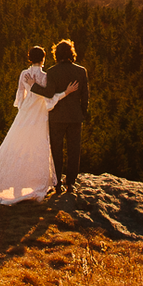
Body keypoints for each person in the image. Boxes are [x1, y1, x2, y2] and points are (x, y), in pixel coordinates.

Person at [0, 45, 60, 204]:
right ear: (43, 59)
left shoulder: (23, 74)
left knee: (17, 142)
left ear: (29, 58)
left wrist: (23, 109)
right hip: (40, 113)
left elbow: (21, 94)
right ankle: (34, 180)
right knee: (38, 144)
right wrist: (63, 94)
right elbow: (49, 99)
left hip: (26, 111)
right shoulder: (46, 76)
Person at [42, 38, 90, 195]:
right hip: (75, 116)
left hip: (56, 117)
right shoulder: (81, 71)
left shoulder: (51, 71)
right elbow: (85, 96)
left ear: (56, 54)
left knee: (56, 150)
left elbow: (49, 95)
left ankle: (56, 184)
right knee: (74, 150)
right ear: (71, 53)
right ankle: (70, 183)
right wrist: (82, 113)